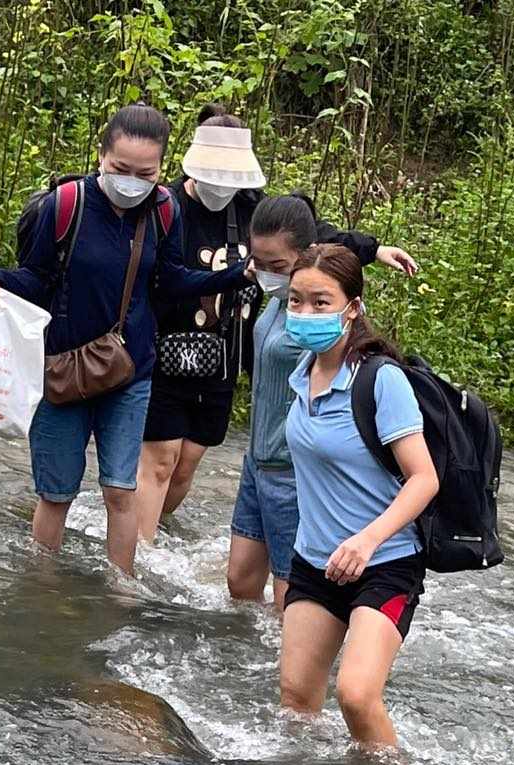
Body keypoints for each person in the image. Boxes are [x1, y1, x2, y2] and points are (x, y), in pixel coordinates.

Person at [0, 104, 251, 577]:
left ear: (161, 169)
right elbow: (38, 276)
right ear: (101, 156)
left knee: (122, 490)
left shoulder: (165, 211)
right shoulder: (66, 205)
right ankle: (41, 585)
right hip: (62, 369)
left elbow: (171, 281)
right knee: (56, 493)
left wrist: (231, 278)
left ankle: (121, 588)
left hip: (129, 371)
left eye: (144, 172)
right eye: (120, 168)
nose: (131, 180)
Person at [136, 117, 419, 548]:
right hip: (166, 349)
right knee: (160, 460)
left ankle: (152, 526)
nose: (220, 186)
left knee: (186, 463)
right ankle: (138, 550)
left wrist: (372, 249)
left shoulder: (249, 207)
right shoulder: (168, 207)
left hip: (222, 353)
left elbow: (308, 237)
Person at [277, 243, 439, 753]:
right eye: (296, 301)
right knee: (297, 701)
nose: (305, 313)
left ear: (352, 307)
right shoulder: (301, 374)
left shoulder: (381, 380)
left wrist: (367, 541)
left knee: (355, 695)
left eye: (320, 302)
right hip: (315, 562)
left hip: (384, 563)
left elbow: (424, 479)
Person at [228, 194, 417, 607]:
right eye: (259, 262)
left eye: (276, 266)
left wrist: (368, 252)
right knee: (240, 584)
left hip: (293, 472)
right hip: (256, 462)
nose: (265, 274)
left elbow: (333, 250)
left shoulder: (318, 324)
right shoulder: (280, 304)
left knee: (289, 597)